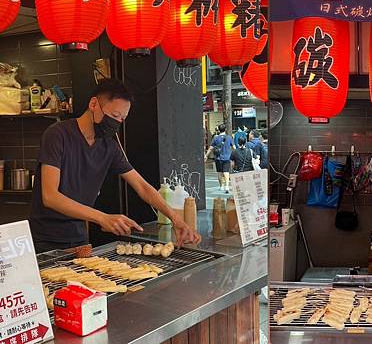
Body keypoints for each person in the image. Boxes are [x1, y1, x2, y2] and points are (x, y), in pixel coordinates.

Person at [29, 79, 201, 253]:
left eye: (122, 119)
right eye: (114, 116)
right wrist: (102, 218)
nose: (117, 122)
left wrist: (176, 219)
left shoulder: (108, 146)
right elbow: (50, 196)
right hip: (45, 239)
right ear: (94, 104)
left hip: (79, 237)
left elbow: (142, 186)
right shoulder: (58, 135)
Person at [205, 124, 234, 193]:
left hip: (218, 158)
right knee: (226, 172)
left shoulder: (216, 138)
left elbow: (211, 148)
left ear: (218, 130)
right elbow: (234, 147)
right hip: (227, 157)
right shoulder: (229, 137)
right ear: (225, 129)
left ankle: (221, 186)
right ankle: (227, 186)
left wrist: (206, 155)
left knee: (219, 173)